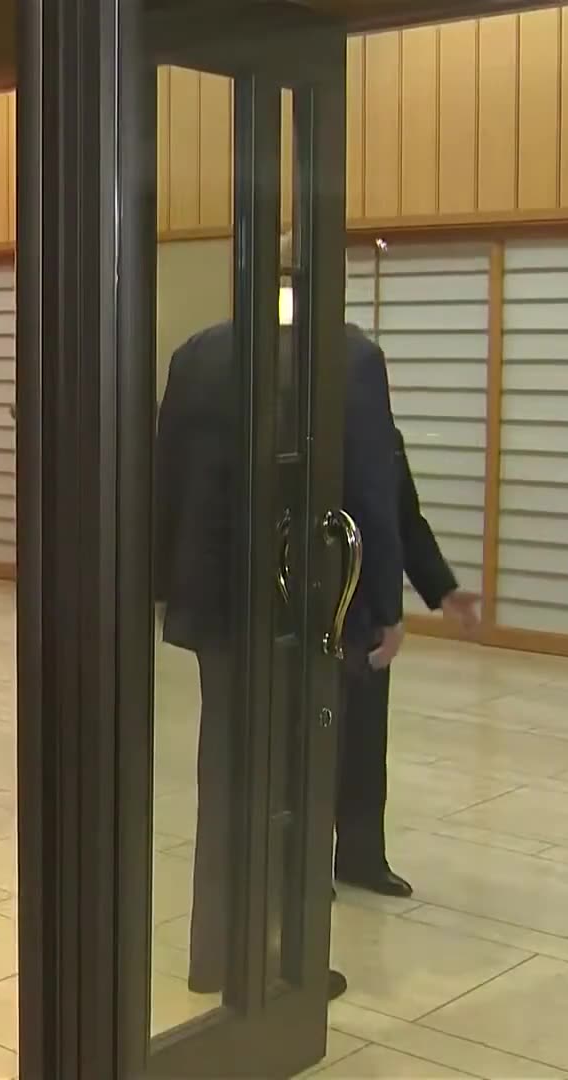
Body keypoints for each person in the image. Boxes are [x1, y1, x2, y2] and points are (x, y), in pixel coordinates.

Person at [153, 308, 414, 1003]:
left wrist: (158, 587)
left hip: (216, 601)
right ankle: (289, 956)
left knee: (228, 773)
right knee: (300, 778)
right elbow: (369, 493)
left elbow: (164, 477)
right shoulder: (349, 357)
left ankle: (213, 953)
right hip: (307, 601)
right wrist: (383, 606)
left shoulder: (196, 353)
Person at [333, 399, 482, 899]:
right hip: (313, 603)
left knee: (364, 742)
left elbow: (404, 519)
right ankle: (300, 865)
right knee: (307, 745)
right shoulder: (297, 428)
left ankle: (359, 858)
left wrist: (440, 588)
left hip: (374, 607)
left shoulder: (382, 433)